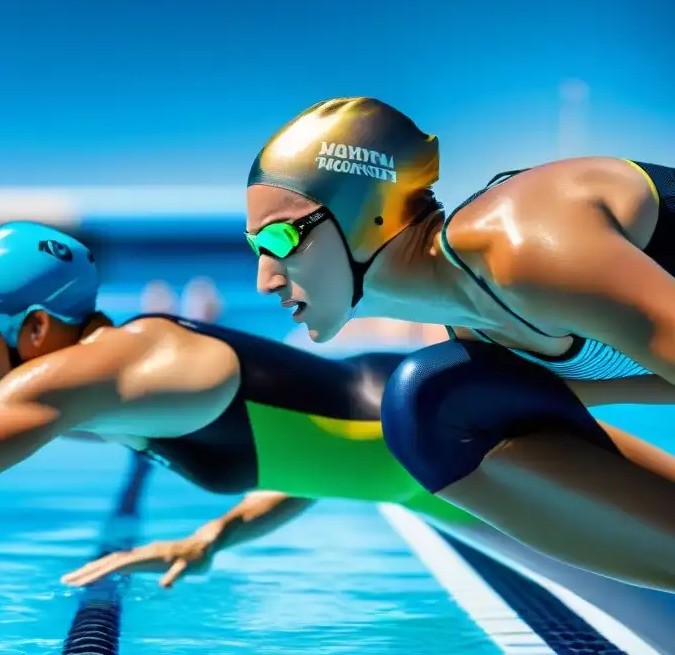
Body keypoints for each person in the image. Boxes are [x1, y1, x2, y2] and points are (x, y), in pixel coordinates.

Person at [0, 221, 674, 595]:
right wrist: (216, 539)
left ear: (34, 331)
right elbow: (331, 441)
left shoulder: (81, 374)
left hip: (467, 435)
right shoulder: (123, 371)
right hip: (454, 438)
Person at [244, 96, 675, 589]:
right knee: (433, 408)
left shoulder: (524, 245)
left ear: (365, 213)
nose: (265, 279)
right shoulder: (477, 326)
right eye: (255, 248)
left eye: (280, 240)